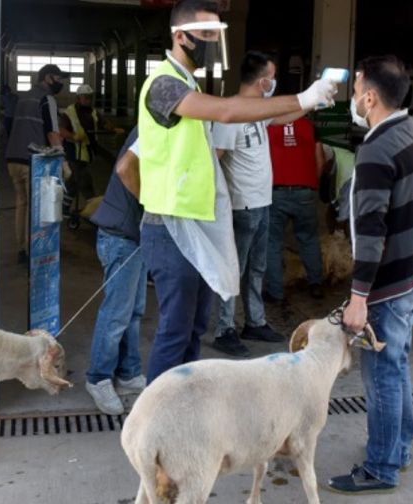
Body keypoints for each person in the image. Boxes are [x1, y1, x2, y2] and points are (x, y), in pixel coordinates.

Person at [137, 0, 337, 383]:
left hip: (198, 224)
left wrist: (311, 103)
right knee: (175, 331)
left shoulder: (189, 83)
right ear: (181, 36)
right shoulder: (163, 84)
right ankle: (154, 419)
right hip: (170, 226)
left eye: (218, 34)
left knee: (194, 329)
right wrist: (303, 98)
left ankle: (186, 404)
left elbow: (259, 112)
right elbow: (228, 112)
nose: (214, 42)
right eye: (207, 35)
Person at [329, 55, 413, 495]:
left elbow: (371, 233)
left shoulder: (376, 151)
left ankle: (380, 468)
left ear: (371, 97)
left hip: (392, 286)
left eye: (356, 89)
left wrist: (359, 298)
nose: (354, 96)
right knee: (397, 365)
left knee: (382, 375)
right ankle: (400, 447)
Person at [210, 51, 292, 358]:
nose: (274, 82)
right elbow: (214, 160)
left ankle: (254, 322)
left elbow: (282, 115)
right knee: (234, 270)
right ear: (262, 81)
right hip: (241, 206)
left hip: (263, 202)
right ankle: (224, 329)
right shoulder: (230, 114)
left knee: (257, 268)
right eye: (272, 76)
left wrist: (312, 102)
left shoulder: (257, 110)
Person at [84, 128, 147, 415]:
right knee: (117, 314)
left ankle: (129, 372)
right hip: (120, 236)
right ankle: (98, 378)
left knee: (133, 311)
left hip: (136, 235)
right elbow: (124, 169)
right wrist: (148, 203)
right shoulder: (151, 128)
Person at [4, 64, 71, 263]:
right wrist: (63, 161)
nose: (61, 84)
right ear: (48, 78)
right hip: (31, 161)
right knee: (37, 208)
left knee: (21, 204)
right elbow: (53, 133)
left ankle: (22, 250)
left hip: (13, 159)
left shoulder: (23, 97)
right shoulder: (46, 99)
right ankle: (36, 251)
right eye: (59, 79)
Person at [264, 114, 326, 307]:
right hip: (304, 192)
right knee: (309, 239)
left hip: (276, 191)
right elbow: (321, 160)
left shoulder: (268, 124)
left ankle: (275, 292)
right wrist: (309, 184)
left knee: (273, 243)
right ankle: (316, 284)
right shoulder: (310, 125)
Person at [60, 84, 124, 218]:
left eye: (90, 97)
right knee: (84, 180)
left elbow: (103, 123)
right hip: (74, 151)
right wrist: (73, 136)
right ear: (78, 98)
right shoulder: (69, 112)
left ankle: (64, 208)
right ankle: (93, 207)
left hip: (87, 152)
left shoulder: (93, 112)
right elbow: (62, 130)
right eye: (85, 97)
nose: (88, 100)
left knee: (73, 182)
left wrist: (112, 129)